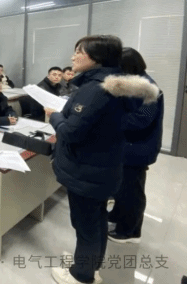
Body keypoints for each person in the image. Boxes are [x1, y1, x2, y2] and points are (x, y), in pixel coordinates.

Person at [45, 35, 159, 285]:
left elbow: (71, 133)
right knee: (97, 221)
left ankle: (80, 275)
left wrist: (55, 117)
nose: (73, 56)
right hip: (102, 166)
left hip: (85, 169)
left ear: (97, 57)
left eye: (79, 51)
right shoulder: (118, 86)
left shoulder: (95, 90)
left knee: (86, 225)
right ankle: (90, 265)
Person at [108, 48, 164, 244]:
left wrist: (111, 117)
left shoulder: (148, 88)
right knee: (123, 187)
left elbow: (141, 120)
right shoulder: (135, 83)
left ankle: (130, 232)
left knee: (132, 191)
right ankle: (118, 215)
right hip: (128, 146)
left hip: (138, 148)